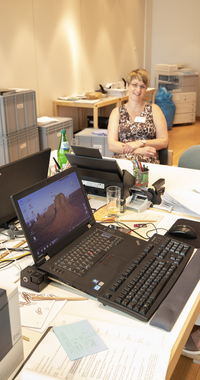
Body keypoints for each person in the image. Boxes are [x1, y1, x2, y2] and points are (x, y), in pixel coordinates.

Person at [107, 68, 168, 164]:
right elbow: (112, 145)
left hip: (147, 163)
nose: (138, 90)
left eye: (142, 86)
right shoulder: (116, 112)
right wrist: (138, 150)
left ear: (146, 89)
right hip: (123, 161)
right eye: (134, 85)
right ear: (127, 85)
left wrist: (141, 143)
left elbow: (164, 142)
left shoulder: (154, 110)